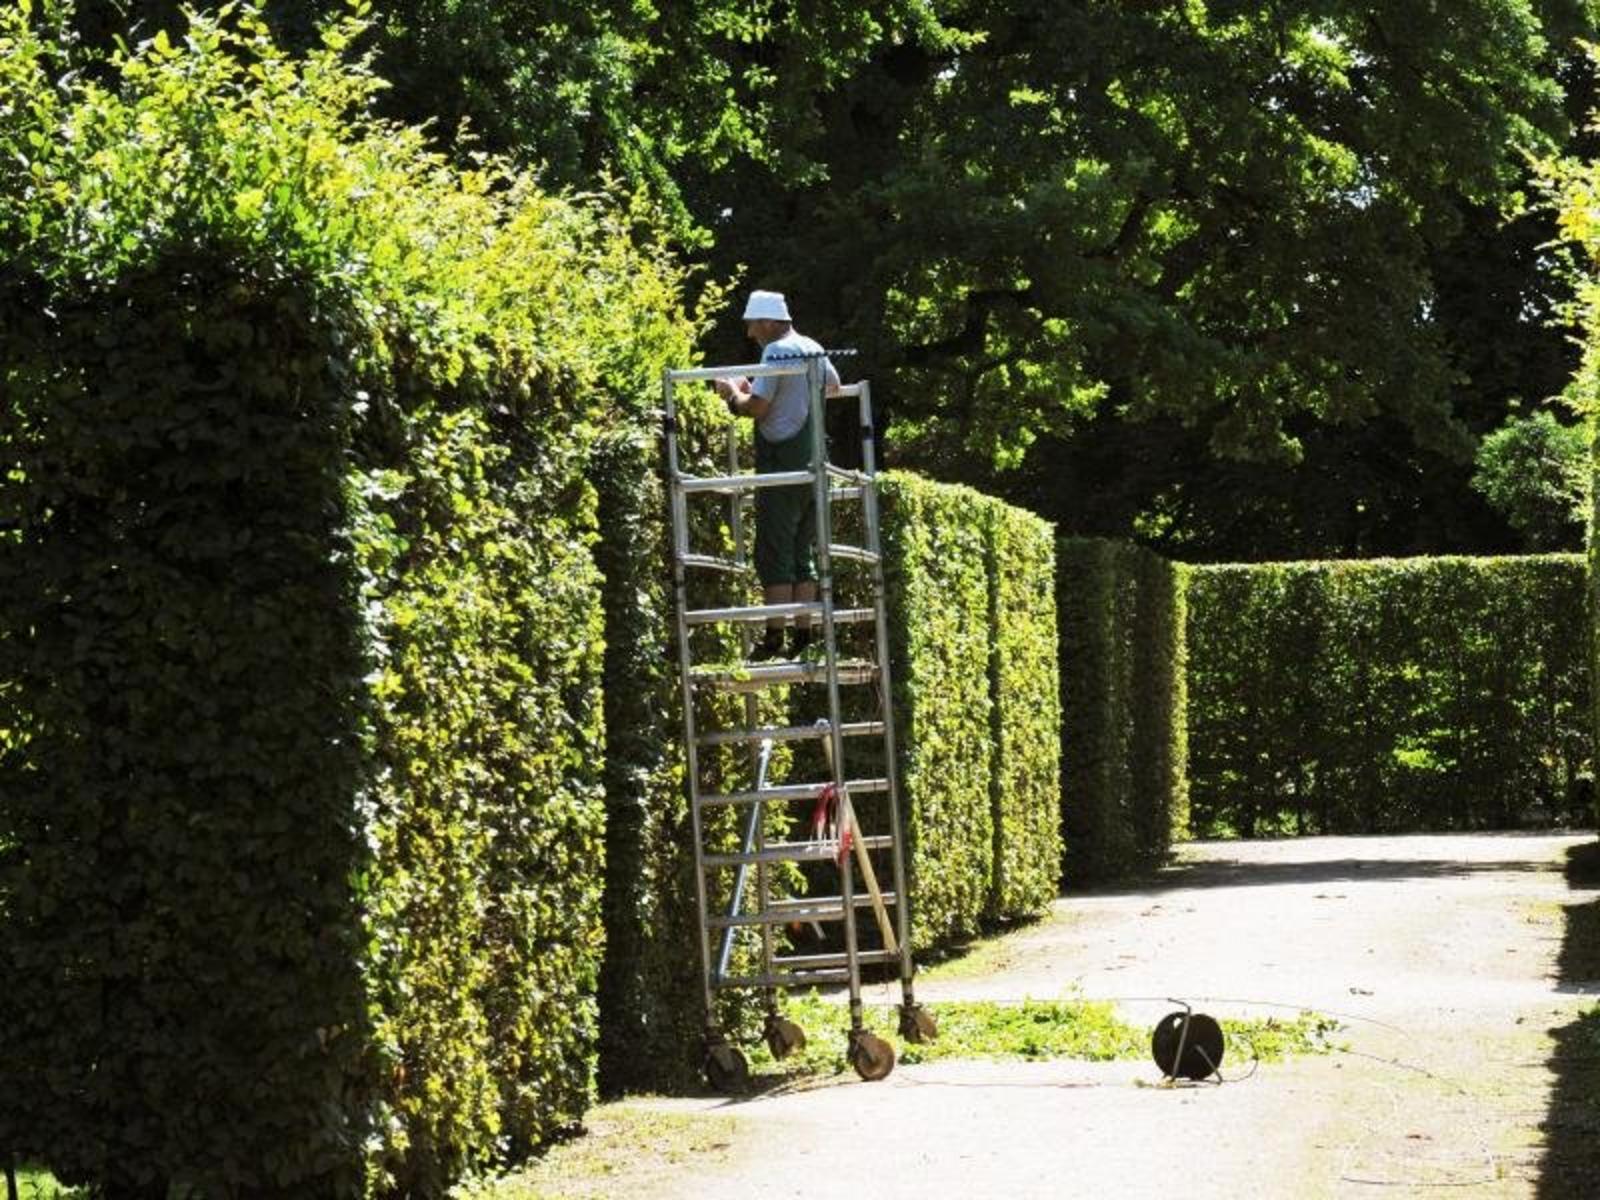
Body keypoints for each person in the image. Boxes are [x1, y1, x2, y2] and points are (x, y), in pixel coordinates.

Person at [713, 290, 840, 660]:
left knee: (774, 551)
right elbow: (831, 386)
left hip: (783, 464)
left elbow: (756, 408)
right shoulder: (811, 345)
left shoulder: (775, 351)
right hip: (814, 463)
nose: (751, 333)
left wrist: (733, 392)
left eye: (753, 324)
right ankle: (804, 632)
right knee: (804, 551)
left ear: (768, 322)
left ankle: (773, 636)